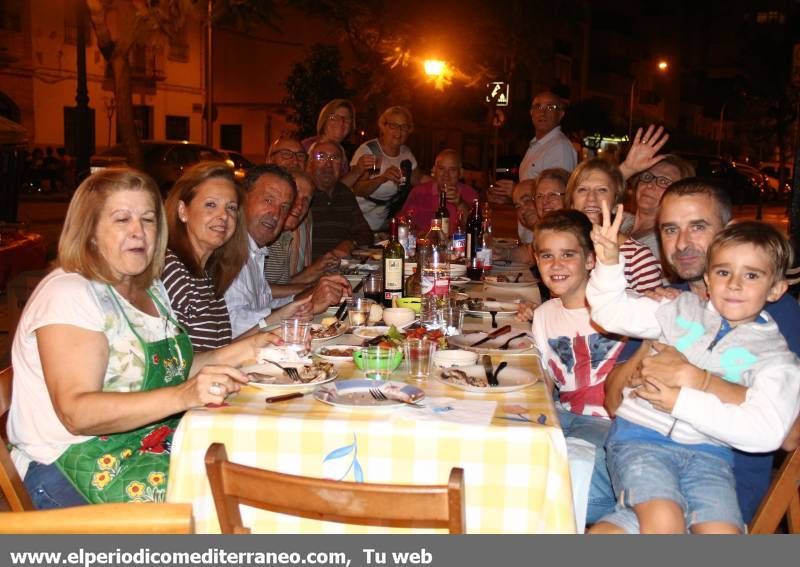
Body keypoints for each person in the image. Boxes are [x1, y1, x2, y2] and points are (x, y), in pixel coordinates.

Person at [7, 168, 282, 508]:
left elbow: (175, 368)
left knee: (261, 472)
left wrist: (249, 347)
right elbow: (76, 412)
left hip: (144, 446)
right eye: (122, 219)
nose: (138, 232)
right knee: (229, 505)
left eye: (148, 220)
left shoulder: (148, 287)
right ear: (90, 230)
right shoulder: (70, 292)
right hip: (67, 470)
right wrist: (183, 395)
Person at [587, 202, 800, 534]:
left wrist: (682, 399)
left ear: (776, 288)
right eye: (723, 272)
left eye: (752, 275)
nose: (734, 284)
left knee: (722, 535)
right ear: (708, 279)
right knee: (663, 523)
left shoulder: (777, 358)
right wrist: (609, 263)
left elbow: (767, 431)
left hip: (710, 459)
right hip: (643, 442)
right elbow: (610, 313)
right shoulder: (680, 309)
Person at [528, 209, 625, 530]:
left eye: (568, 254)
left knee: (575, 462)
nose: (556, 265)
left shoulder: (619, 309)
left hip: (606, 423)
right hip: (564, 414)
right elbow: (545, 381)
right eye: (547, 255)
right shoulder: (543, 314)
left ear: (590, 260)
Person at [224, 164, 350, 338]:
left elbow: (266, 303)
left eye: (284, 207)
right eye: (268, 200)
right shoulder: (226, 249)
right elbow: (233, 326)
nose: (276, 213)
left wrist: (310, 298)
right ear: (242, 198)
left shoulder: (256, 251)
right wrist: (305, 303)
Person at [161, 162, 247, 351]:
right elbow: (174, 365)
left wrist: (281, 318)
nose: (223, 215)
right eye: (211, 205)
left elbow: (218, 352)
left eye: (231, 207)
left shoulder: (206, 275)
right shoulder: (172, 270)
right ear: (183, 211)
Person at [565, 157, 662, 293]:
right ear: (571, 202)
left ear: (616, 201)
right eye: (582, 189)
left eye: (602, 190)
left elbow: (657, 313)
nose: (591, 198)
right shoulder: (564, 250)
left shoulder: (638, 258)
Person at [490, 91, 577, 205]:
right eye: (538, 106)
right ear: (531, 112)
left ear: (560, 115)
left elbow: (557, 197)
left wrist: (516, 190)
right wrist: (509, 198)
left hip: (546, 222)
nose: (542, 112)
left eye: (550, 107)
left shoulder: (560, 147)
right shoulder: (536, 145)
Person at [265, 170, 340, 285]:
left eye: (306, 200)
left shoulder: (284, 236)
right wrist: (312, 290)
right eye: (294, 195)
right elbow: (261, 294)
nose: (300, 205)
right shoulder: (262, 236)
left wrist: (315, 271)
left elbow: (282, 286)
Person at [351, 106, 420, 231]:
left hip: (380, 222)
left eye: (404, 127)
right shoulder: (371, 150)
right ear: (383, 127)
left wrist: (443, 179)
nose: (399, 131)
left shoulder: (406, 153)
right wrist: (381, 179)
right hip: (357, 218)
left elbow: (418, 181)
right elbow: (357, 189)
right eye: (394, 125)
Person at [307, 140, 374, 260]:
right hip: (309, 271)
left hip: (343, 269)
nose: (328, 163)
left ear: (342, 166)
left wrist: (350, 243)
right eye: (321, 156)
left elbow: (365, 234)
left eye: (335, 158)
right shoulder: (303, 194)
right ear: (310, 163)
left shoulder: (344, 193)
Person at [626, 155, 695, 259]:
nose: (650, 184)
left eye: (664, 181)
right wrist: (627, 169)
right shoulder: (623, 220)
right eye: (647, 177)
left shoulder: (663, 243)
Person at [396, 149, 478, 234]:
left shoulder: (470, 193)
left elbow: (475, 229)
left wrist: (460, 204)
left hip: (456, 245)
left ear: (460, 173)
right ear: (434, 170)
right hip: (423, 244)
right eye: (441, 168)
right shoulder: (419, 192)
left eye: (452, 169)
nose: (446, 174)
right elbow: (401, 223)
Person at [302, 99, 372, 189]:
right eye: (334, 117)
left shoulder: (340, 151)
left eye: (347, 119)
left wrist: (360, 172)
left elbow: (336, 189)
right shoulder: (308, 147)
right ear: (324, 120)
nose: (341, 122)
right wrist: (356, 172)